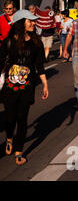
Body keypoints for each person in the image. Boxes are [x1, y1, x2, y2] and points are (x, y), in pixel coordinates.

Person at [0, 10, 49, 166]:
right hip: (9, 88)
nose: (34, 23)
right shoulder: (8, 42)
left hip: (27, 88)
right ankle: (9, 138)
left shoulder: (36, 43)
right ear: (21, 23)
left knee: (22, 119)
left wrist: (45, 83)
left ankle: (19, 152)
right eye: (30, 21)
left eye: (34, 21)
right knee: (9, 118)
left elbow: (39, 65)